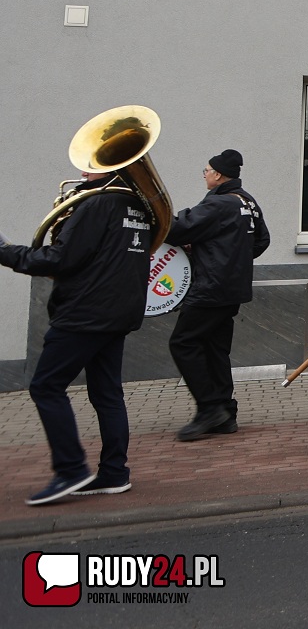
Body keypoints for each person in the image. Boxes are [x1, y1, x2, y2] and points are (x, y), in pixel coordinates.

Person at [0, 138, 155, 504]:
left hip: (85, 312)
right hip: (119, 311)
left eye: (91, 162)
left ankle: (71, 469)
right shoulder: (140, 206)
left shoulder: (95, 204)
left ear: (110, 165)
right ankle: (114, 473)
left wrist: (6, 252)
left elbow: (59, 259)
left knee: (45, 386)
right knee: (107, 393)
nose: (83, 168)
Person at [165, 148, 270, 441]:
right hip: (232, 288)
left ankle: (209, 408)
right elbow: (262, 241)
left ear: (219, 175)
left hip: (210, 288)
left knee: (183, 343)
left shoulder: (219, 204)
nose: (204, 175)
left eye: (207, 170)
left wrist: (155, 215)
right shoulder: (247, 201)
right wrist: (231, 259)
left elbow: (177, 229)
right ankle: (226, 414)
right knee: (215, 349)